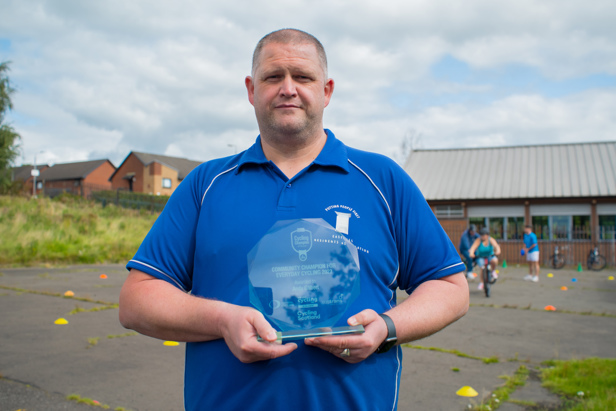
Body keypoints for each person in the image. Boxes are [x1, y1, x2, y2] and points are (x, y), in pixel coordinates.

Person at [119, 28, 469, 411]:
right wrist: (221, 320)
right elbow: (137, 300)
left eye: (303, 77)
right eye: (273, 77)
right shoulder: (206, 184)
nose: (288, 88)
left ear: (327, 90)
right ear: (252, 91)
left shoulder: (383, 179)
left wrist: (387, 328)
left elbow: (450, 287)